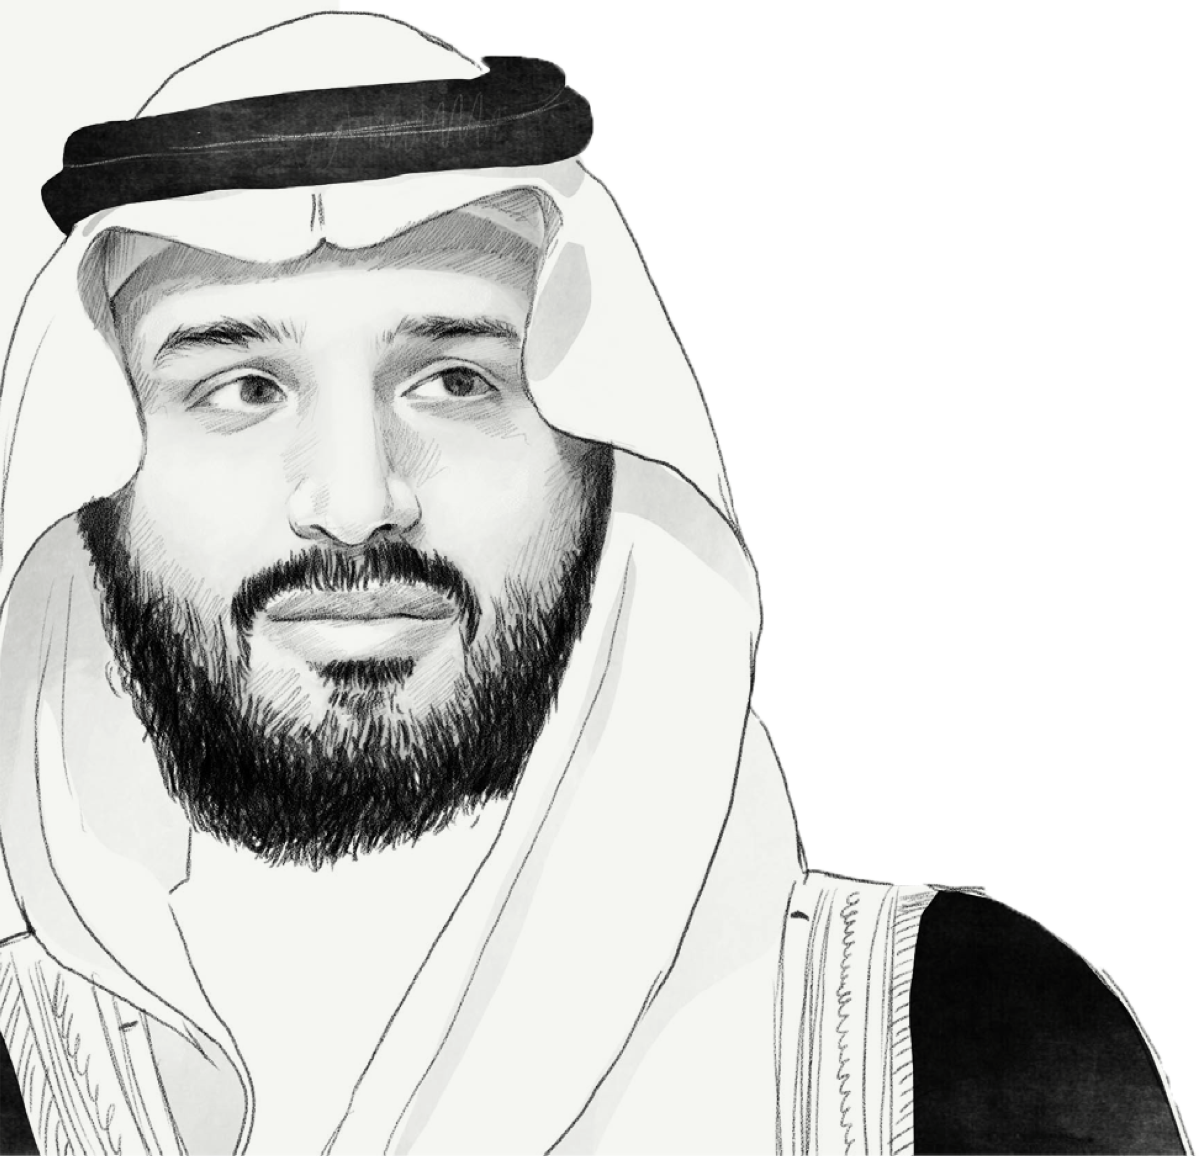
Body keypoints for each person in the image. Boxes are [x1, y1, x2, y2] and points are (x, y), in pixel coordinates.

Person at [0, 13, 1187, 1155]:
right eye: (242, 390)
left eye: (455, 379)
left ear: (607, 463)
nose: (357, 503)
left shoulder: (968, 1035)